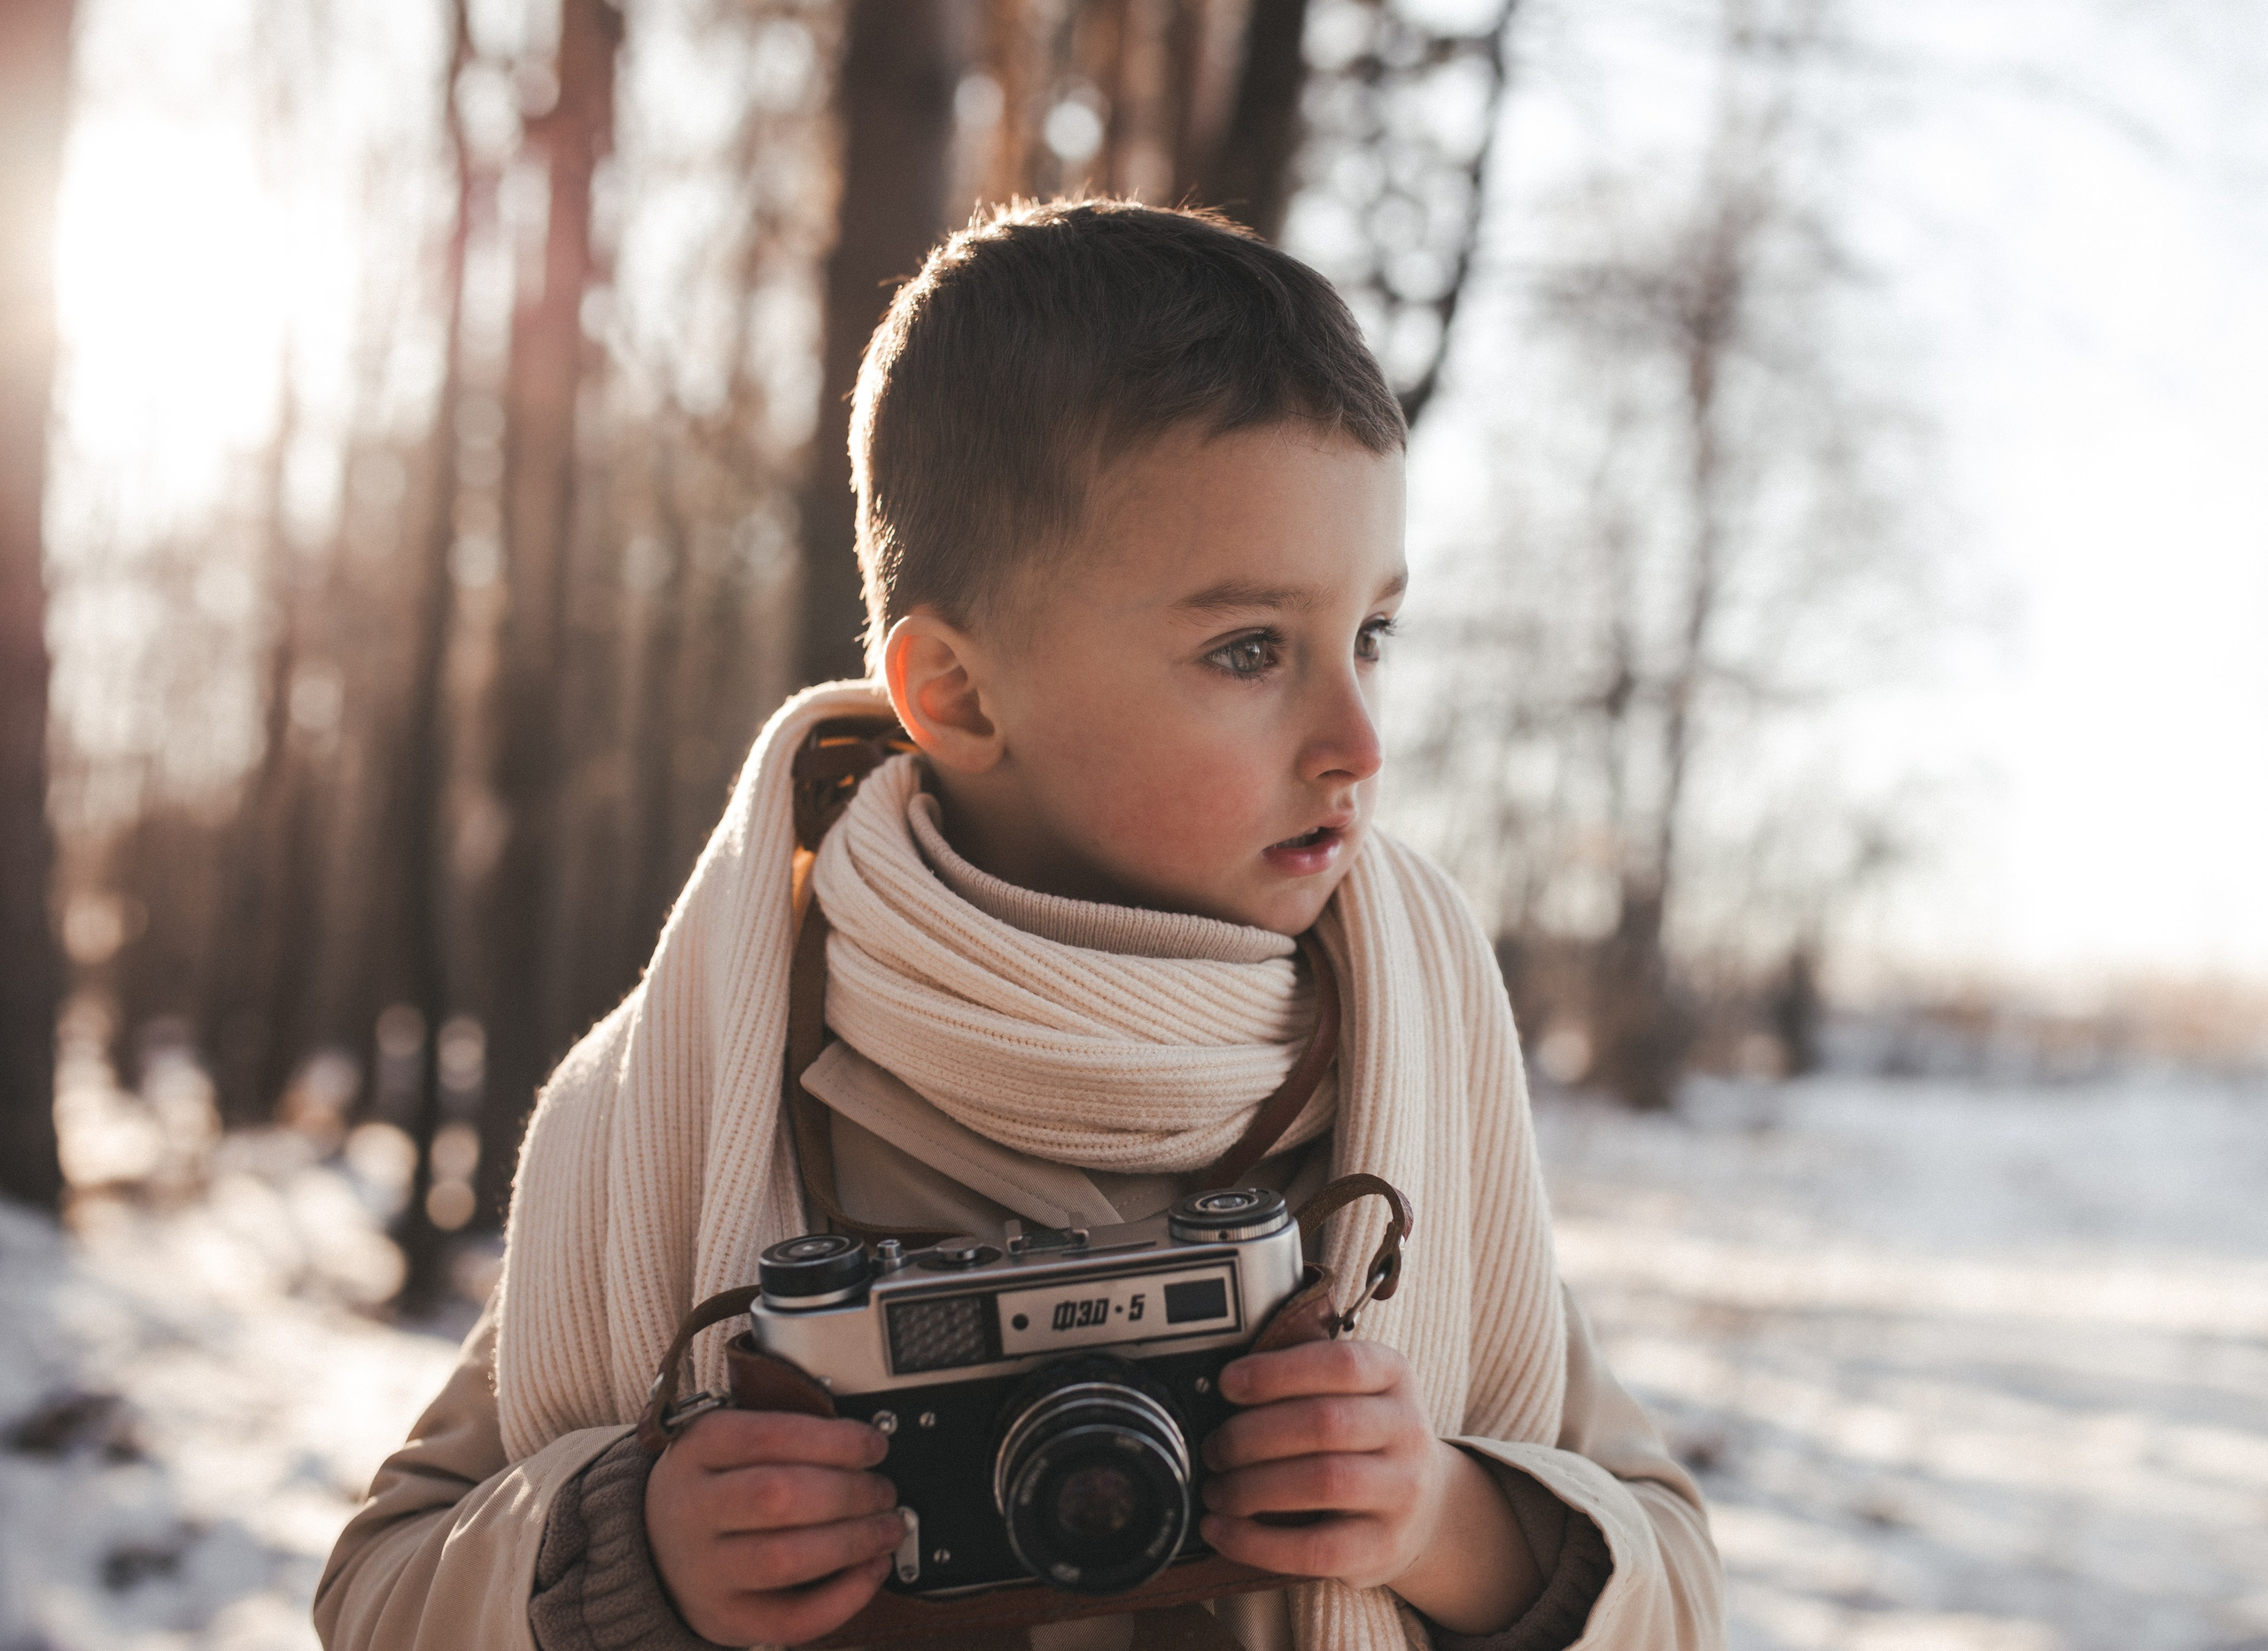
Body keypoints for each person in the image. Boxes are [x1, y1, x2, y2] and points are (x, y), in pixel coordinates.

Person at [315, 199, 1723, 1651]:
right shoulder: (692, 1088)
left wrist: (1445, 1521)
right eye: (1250, 650)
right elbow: (378, 1592)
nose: (1358, 741)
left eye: (1371, 637)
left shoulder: (1412, 1062)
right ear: (963, 697)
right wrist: (633, 1549)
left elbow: (1673, 1575)